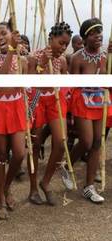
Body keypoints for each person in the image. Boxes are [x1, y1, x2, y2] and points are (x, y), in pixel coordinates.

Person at [0, 19, 28, 220]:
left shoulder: (23, 60)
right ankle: (0, 199)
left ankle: (7, 186)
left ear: (13, 33)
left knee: (19, 154)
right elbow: (0, 81)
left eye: (4, 33)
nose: (0, 38)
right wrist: (11, 50)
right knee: (1, 154)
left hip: (17, 107)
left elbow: (25, 86)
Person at [27, 22, 73, 206]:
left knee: (61, 142)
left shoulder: (62, 61)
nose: (63, 48)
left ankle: (45, 182)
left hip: (55, 99)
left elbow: (63, 82)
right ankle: (33, 189)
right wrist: (41, 65)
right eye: (61, 43)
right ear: (51, 38)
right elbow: (30, 84)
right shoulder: (33, 57)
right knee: (35, 145)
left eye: (66, 45)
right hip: (37, 98)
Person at [68, 18, 112, 204]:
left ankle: (88, 186)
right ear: (85, 38)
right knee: (86, 141)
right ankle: (66, 163)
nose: (98, 35)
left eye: (100, 31)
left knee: (96, 142)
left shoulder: (105, 57)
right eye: (94, 33)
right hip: (82, 101)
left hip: (101, 101)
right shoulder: (77, 58)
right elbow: (72, 86)